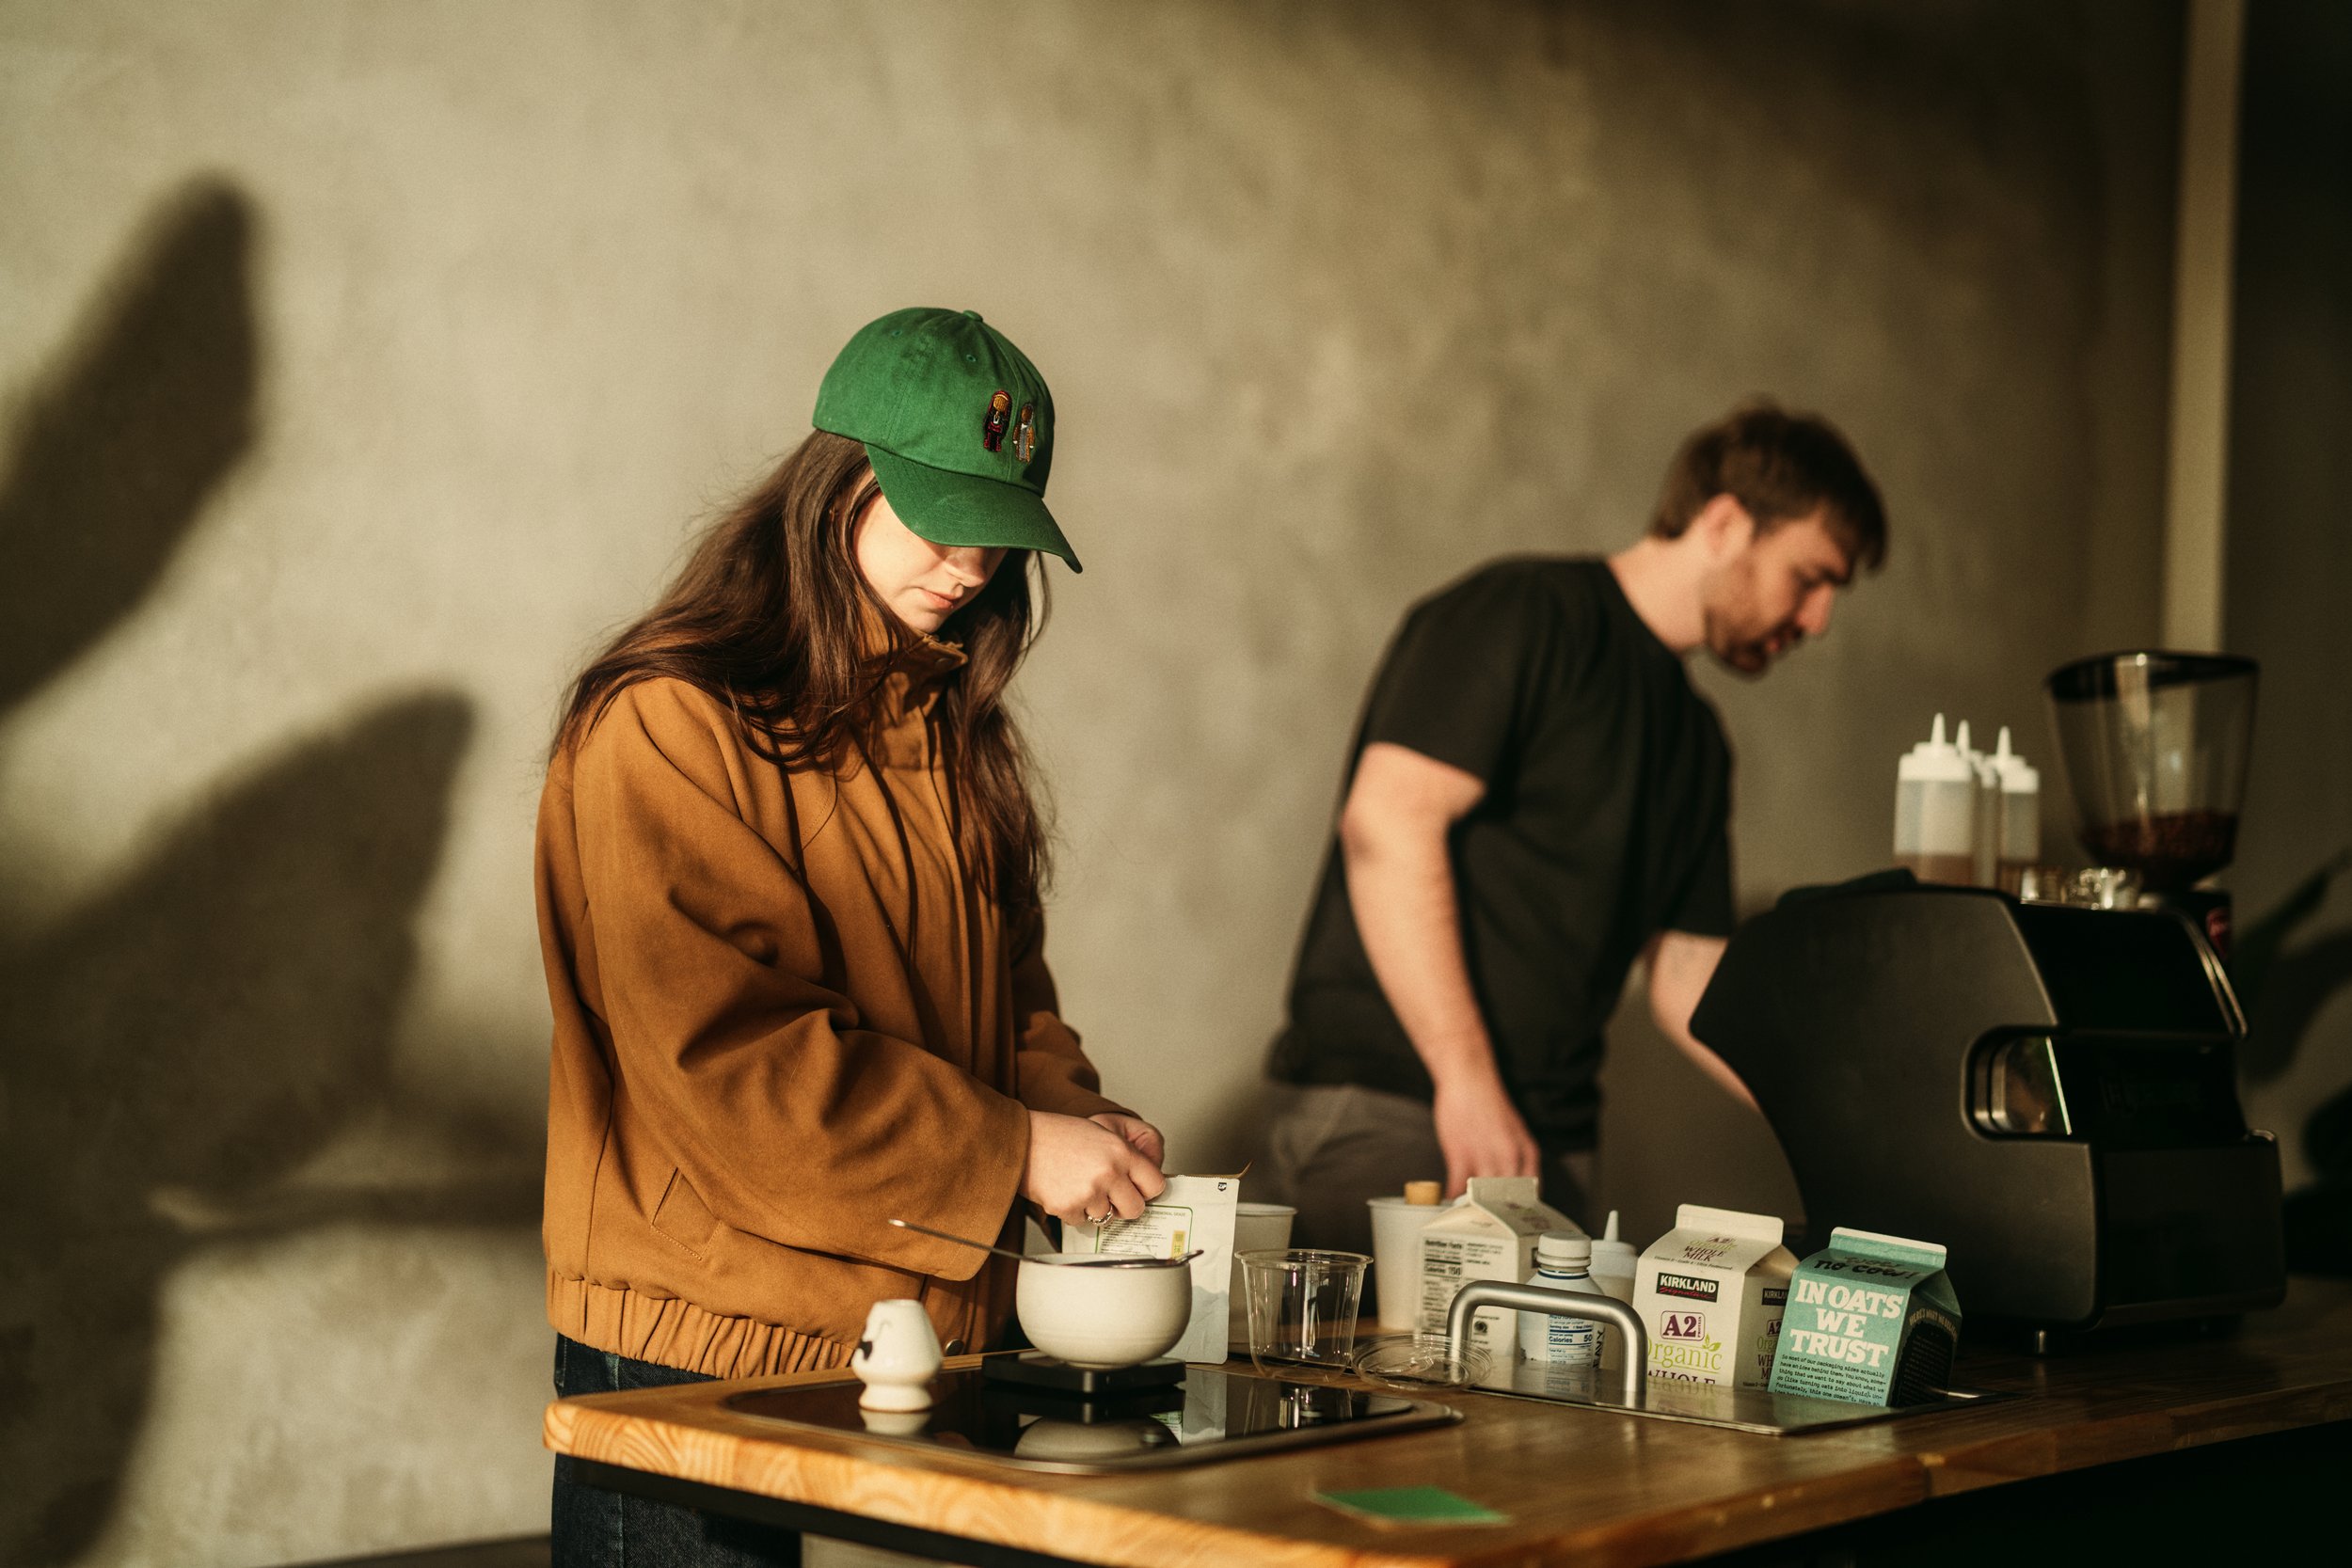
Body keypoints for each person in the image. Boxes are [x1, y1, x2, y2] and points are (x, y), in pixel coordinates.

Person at [534, 307, 1166, 1566]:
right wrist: (1010, 1150)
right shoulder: (664, 723)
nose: (972, 565)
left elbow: (1012, 1004)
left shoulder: (951, 735)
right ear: (836, 490)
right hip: (692, 1338)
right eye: (940, 515)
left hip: (894, 1330)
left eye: (1001, 533)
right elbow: (728, 1059)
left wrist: (1074, 1121)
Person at [1259, 402, 1887, 1256]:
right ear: (1725, 520)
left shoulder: (1698, 743)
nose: (1817, 620)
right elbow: (1387, 822)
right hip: (1399, 1106)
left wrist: (1843, 1108)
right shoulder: (1523, 613)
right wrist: (1467, 1081)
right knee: (1373, 1389)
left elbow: (1687, 978)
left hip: (1548, 1142)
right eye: (1811, 577)